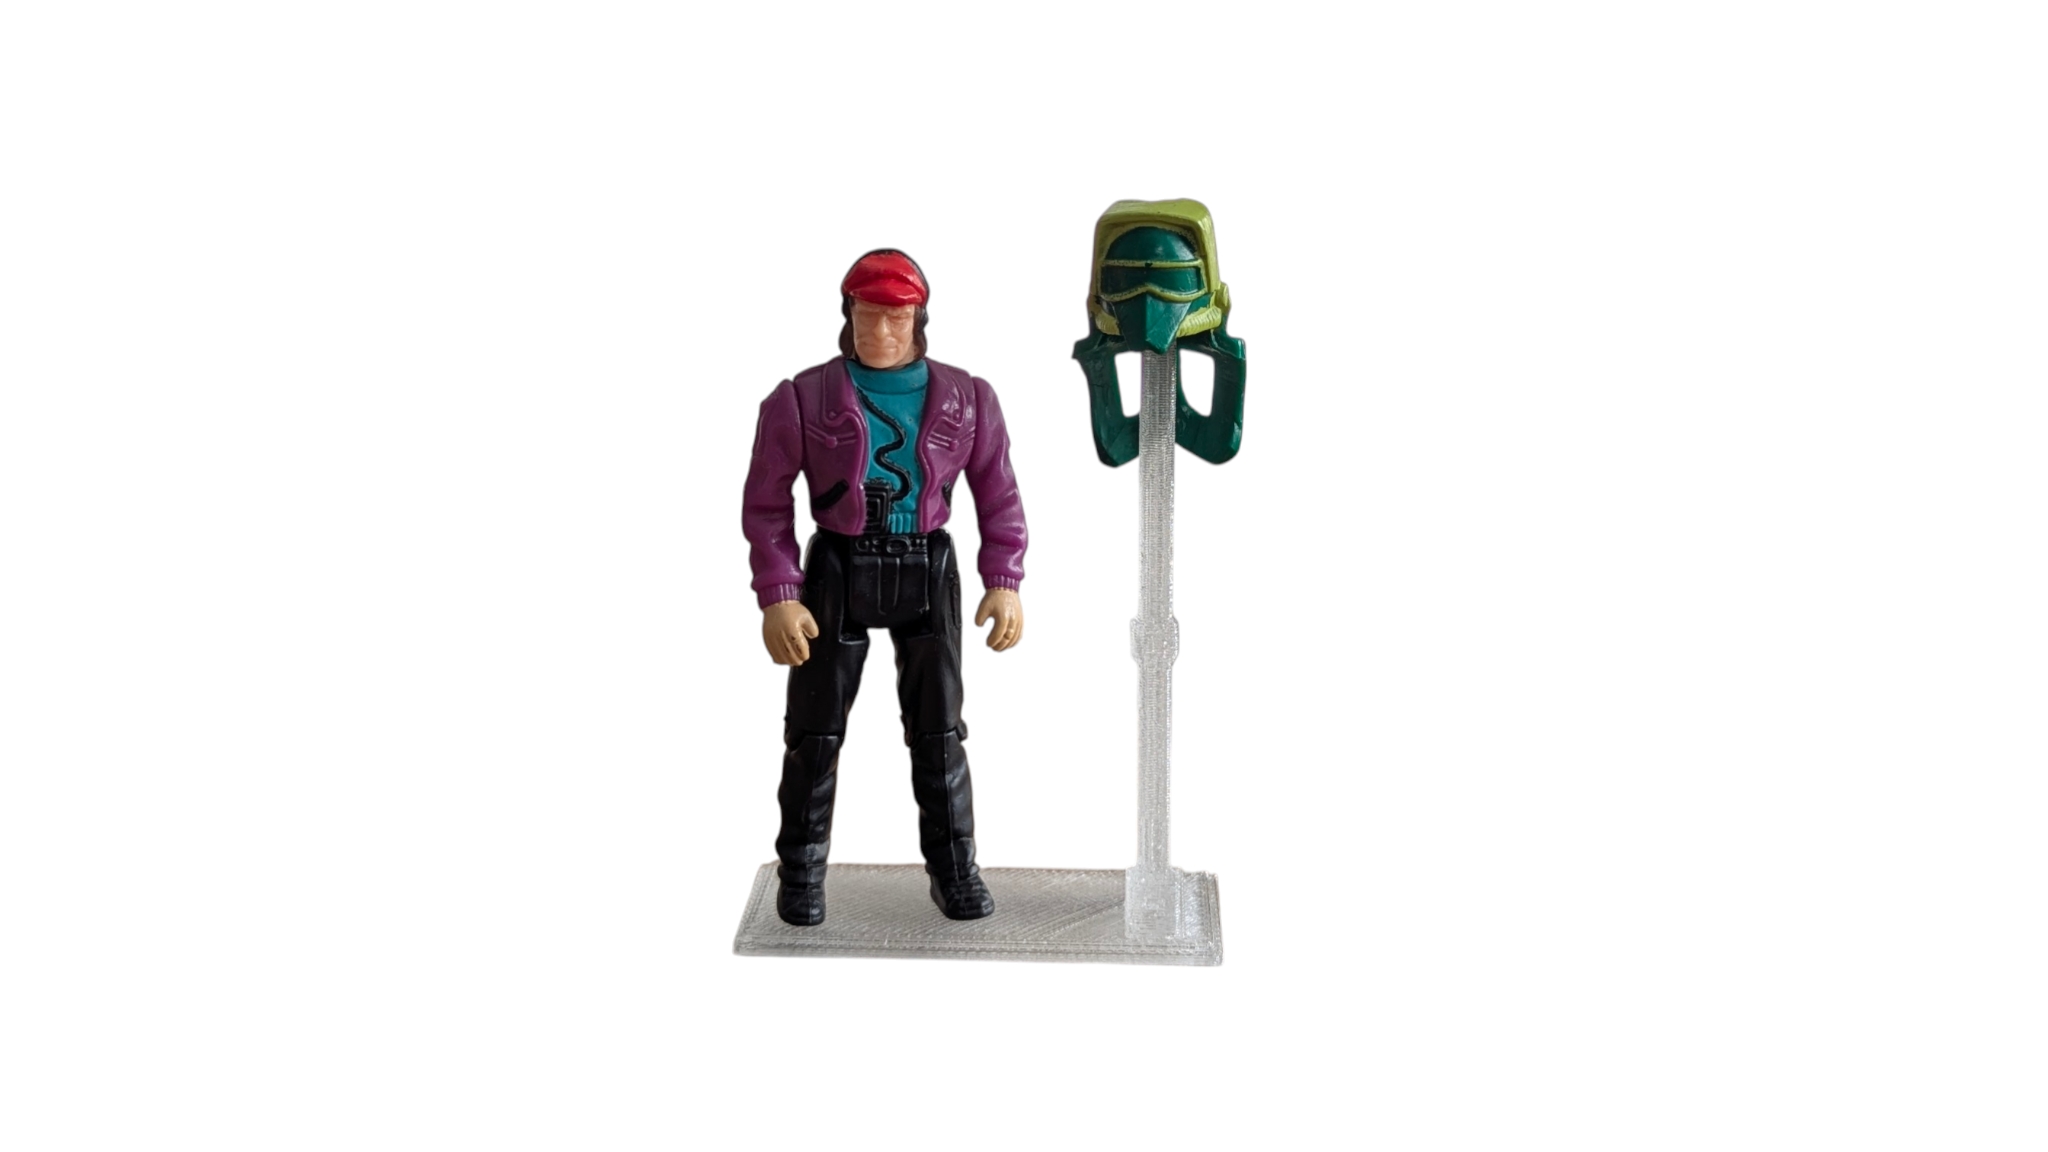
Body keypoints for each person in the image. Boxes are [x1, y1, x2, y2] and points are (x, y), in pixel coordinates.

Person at [740, 249, 1027, 927]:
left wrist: (1004, 577)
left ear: (919, 320)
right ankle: (800, 873)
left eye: (895, 318)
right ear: (847, 316)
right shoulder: (800, 398)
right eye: (867, 316)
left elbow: (999, 493)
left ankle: (954, 870)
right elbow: (766, 503)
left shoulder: (968, 398)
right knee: (813, 733)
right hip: (837, 570)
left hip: (927, 565)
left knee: (940, 732)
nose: (880, 332)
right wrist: (780, 592)